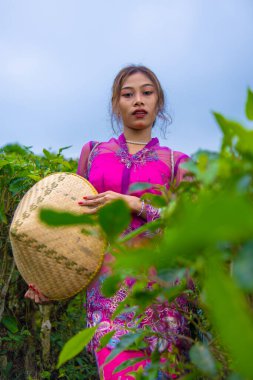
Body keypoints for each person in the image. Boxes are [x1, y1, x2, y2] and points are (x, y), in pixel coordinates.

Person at [25, 65, 191, 379]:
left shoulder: (176, 163)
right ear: (116, 104)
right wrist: (52, 282)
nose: (138, 100)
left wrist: (137, 204)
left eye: (147, 92)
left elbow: (188, 228)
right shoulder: (94, 154)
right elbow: (74, 229)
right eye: (128, 94)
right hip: (107, 303)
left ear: (159, 103)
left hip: (164, 305)